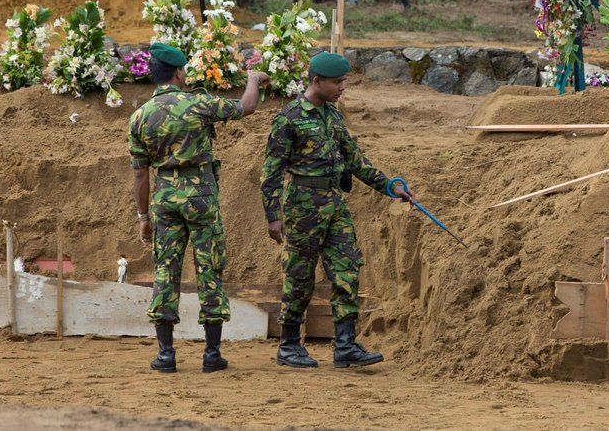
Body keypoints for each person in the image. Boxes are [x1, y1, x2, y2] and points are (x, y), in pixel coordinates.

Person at [261, 51, 411, 369]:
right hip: (303, 207)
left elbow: (354, 160)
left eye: (343, 81)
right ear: (317, 81)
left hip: (335, 205)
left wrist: (389, 186)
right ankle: (289, 345)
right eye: (337, 82)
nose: (342, 87)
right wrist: (273, 216)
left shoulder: (333, 115)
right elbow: (271, 172)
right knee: (300, 277)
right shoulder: (289, 118)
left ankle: (345, 346)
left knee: (347, 271)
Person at [128, 42, 268, 374]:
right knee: (209, 269)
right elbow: (246, 107)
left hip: (164, 199)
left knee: (166, 271)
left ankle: (165, 355)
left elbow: (139, 174)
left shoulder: (139, 117)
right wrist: (252, 79)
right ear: (178, 73)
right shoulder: (198, 104)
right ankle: (211, 354)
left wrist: (143, 217)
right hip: (201, 196)